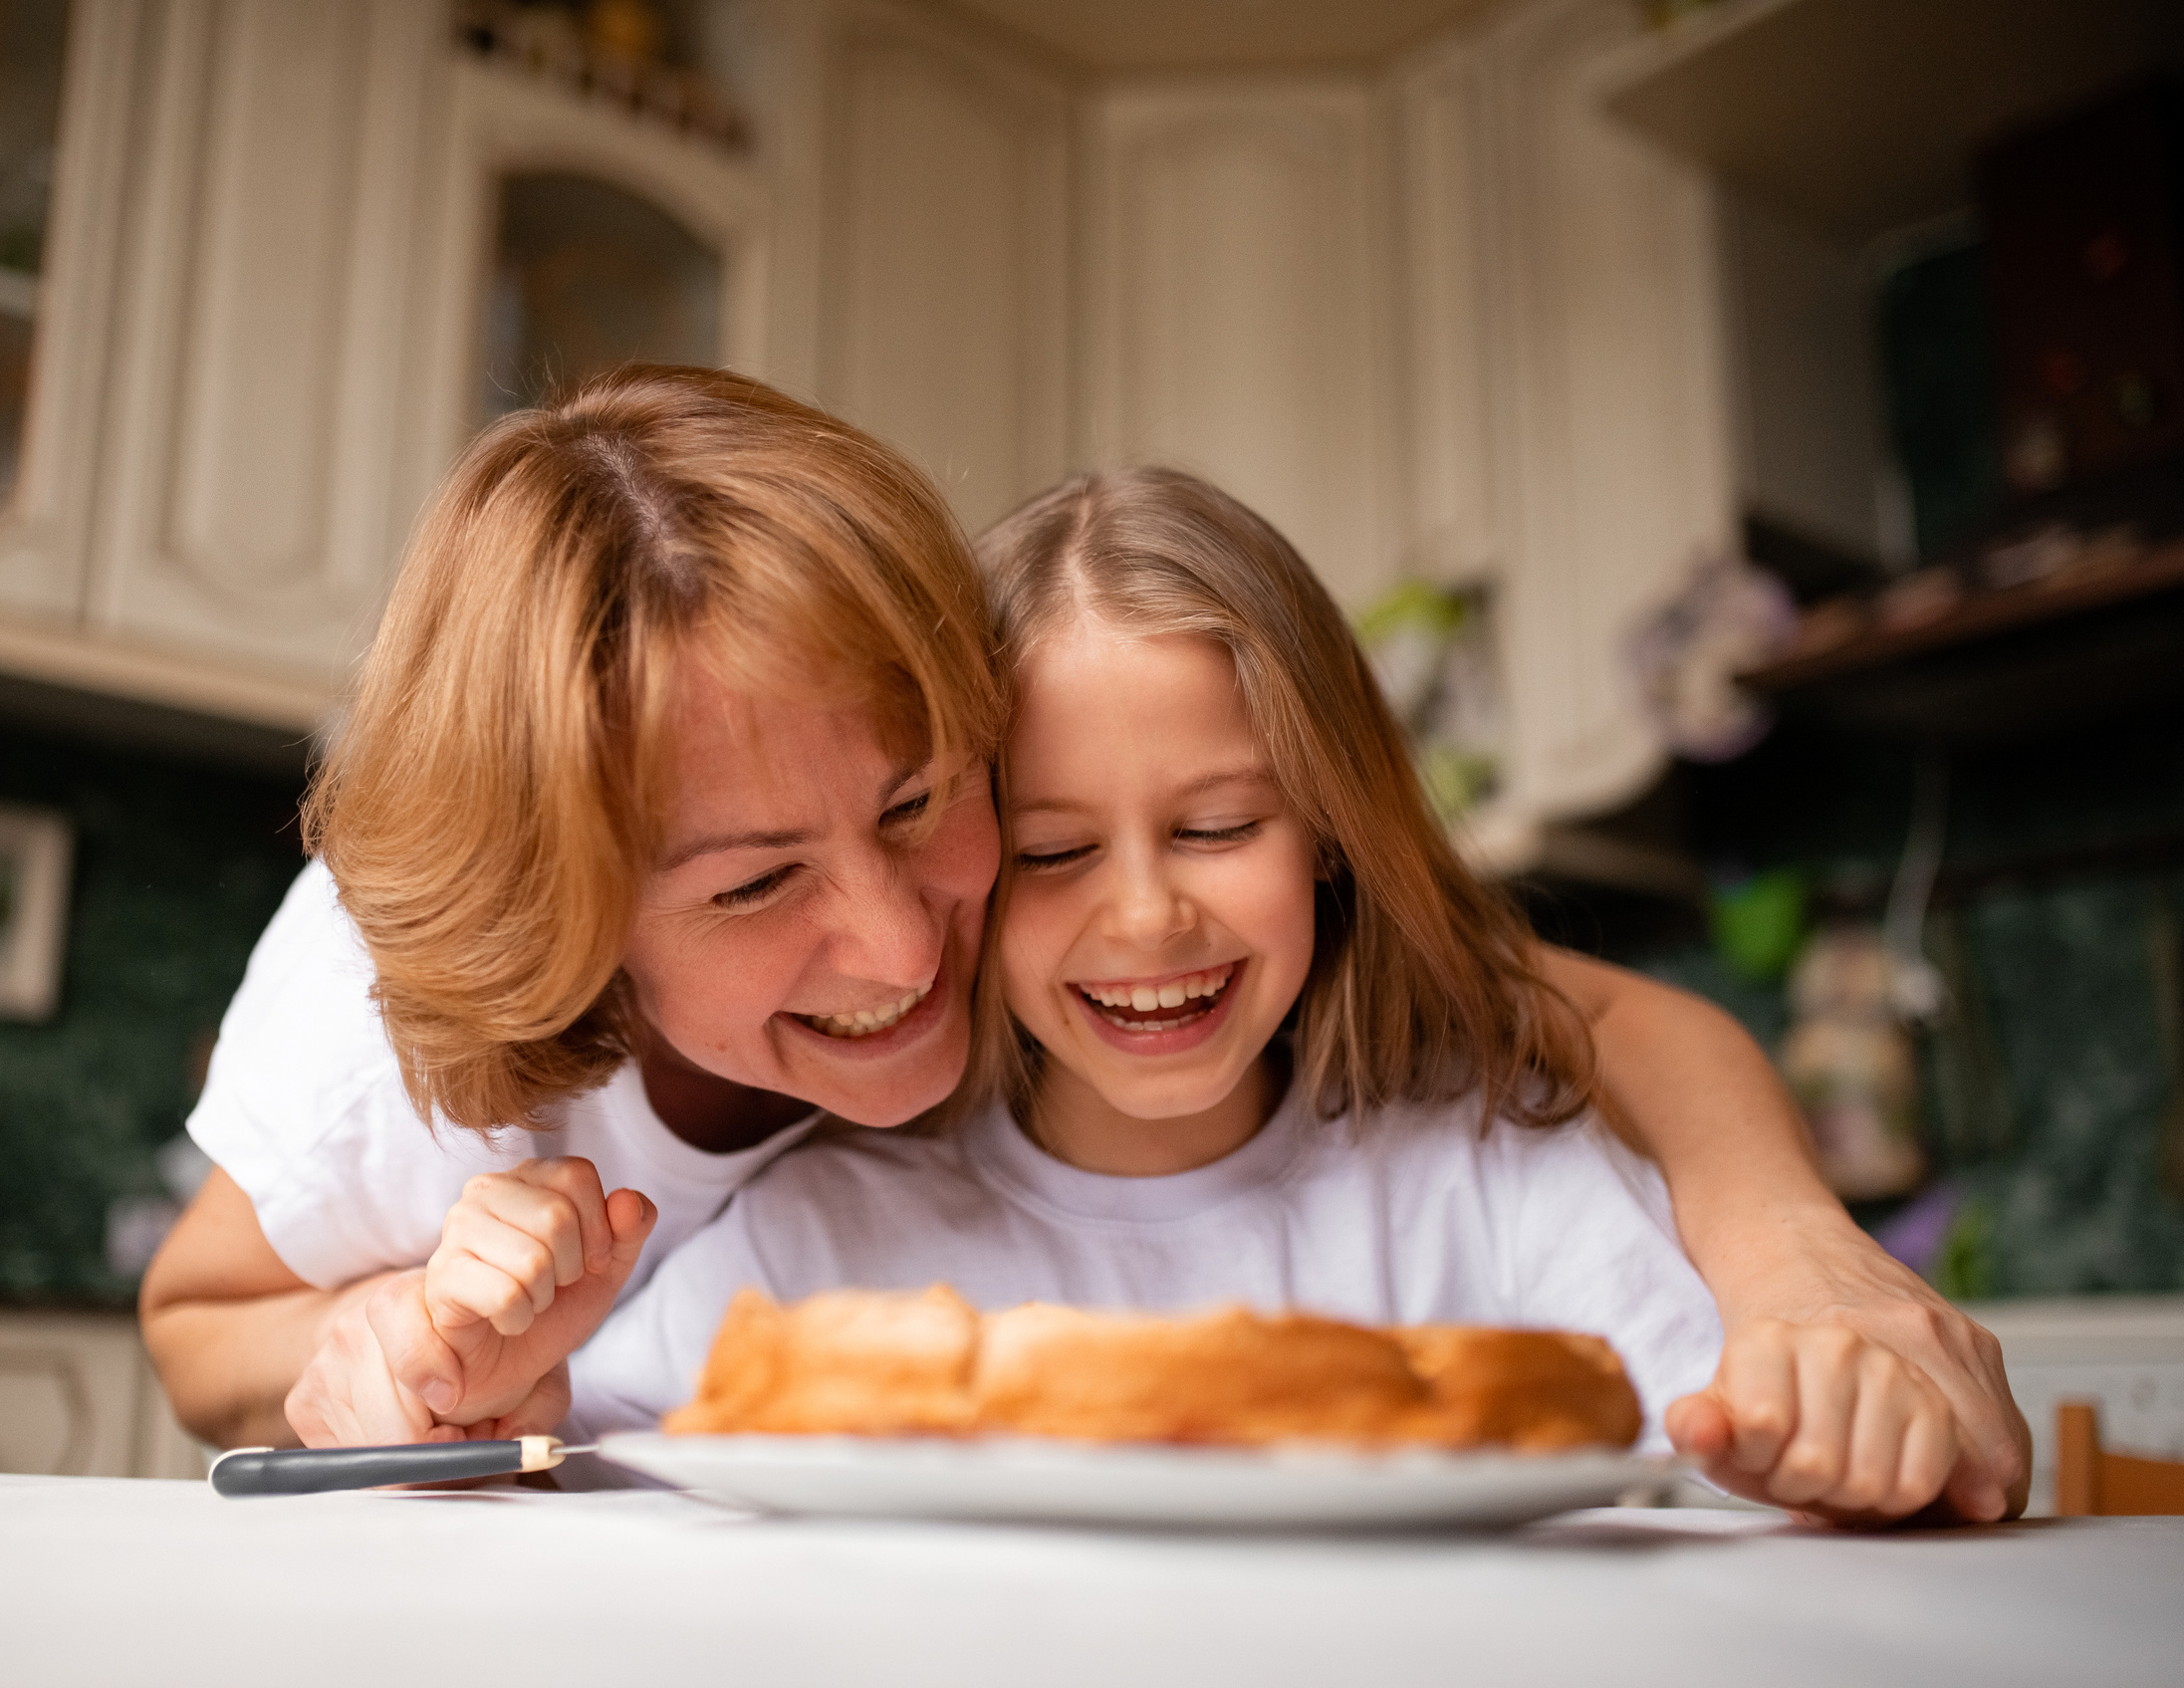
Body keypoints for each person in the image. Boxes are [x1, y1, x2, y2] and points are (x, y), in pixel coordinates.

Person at [136, 368, 2026, 1519]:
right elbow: (224, 1339)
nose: (899, 936)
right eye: (746, 885)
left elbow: (1560, 1009)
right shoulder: (416, 1014)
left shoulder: (1447, 1153)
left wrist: (1804, 1275)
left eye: (923, 807)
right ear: (582, 930)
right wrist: (416, 1360)